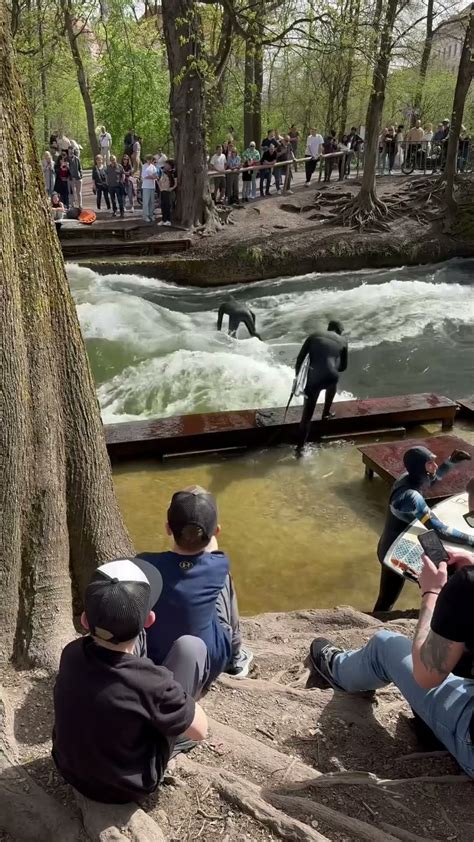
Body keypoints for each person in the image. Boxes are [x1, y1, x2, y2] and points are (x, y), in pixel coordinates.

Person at [305, 547, 474, 778]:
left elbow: (426, 675)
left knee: (384, 646)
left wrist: (432, 594)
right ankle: (434, 731)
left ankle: (336, 669)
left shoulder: (467, 585)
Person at [53, 557, 209, 804]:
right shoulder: (154, 684)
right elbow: (201, 731)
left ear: (84, 620)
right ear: (149, 620)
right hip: (127, 788)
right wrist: (172, 697)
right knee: (191, 648)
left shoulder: (71, 653)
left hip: (71, 770)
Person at [138, 486, 253, 684]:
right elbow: (210, 555)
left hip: (156, 659)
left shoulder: (145, 563)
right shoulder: (219, 565)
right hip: (208, 665)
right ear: (216, 532)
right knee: (223, 583)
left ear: (168, 528)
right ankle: (235, 658)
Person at [374, 445, 474, 612]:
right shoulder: (411, 497)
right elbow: (439, 529)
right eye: (430, 463)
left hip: (398, 538)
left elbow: (431, 480)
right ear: (420, 468)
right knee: (388, 599)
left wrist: (451, 461)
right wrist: (470, 540)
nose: (435, 466)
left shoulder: (407, 477)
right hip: (395, 549)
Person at [295, 320, 348, 453]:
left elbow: (300, 359)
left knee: (306, 417)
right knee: (333, 381)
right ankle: (326, 413)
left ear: (329, 328)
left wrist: (297, 379)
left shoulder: (314, 335)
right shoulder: (343, 341)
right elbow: (343, 367)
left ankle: (300, 449)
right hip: (332, 377)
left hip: (314, 378)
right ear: (339, 331)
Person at [158, 160, 176, 226]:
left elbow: (176, 183)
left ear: (170, 165)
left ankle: (168, 220)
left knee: (168, 205)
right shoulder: (163, 172)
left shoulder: (173, 172)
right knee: (163, 205)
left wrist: (172, 188)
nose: (165, 166)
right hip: (162, 190)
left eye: (166, 164)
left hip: (168, 191)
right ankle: (163, 219)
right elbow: (160, 180)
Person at [141, 155, 158, 223]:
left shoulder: (153, 166)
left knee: (152, 202)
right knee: (146, 202)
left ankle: (151, 215)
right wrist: (152, 176)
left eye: (151, 159)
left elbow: (156, 175)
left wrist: (152, 176)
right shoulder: (144, 166)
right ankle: (145, 216)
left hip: (152, 186)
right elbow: (144, 176)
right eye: (149, 159)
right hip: (146, 186)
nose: (150, 161)